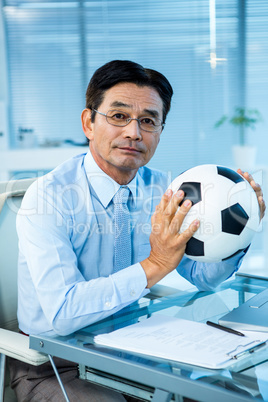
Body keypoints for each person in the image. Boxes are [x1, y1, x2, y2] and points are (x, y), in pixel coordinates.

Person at [9, 60, 265, 401]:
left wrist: (241, 230)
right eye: (118, 116)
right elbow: (63, 313)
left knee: (231, 394)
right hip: (55, 363)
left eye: (148, 120)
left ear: (160, 131)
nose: (133, 132)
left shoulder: (166, 188)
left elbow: (204, 277)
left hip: (135, 349)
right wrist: (155, 264)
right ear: (89, 122)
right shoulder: (48, 198)